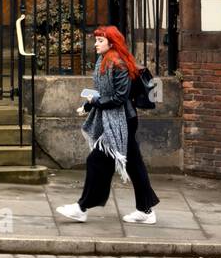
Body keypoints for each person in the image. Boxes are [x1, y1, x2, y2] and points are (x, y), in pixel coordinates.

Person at [55, 25, 159, 225]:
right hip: (116, 119)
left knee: (96, 160)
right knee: (134, 165)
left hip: (122, 122)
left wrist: (95, 102)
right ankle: (145, 210)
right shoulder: (103, 61)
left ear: (112, 43)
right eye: (96, 40)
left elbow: (119, 98)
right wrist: (89, 104)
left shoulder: (118, 63)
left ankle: (82, 207)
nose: (96, 44)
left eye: (100, 41)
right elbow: (103, 92)